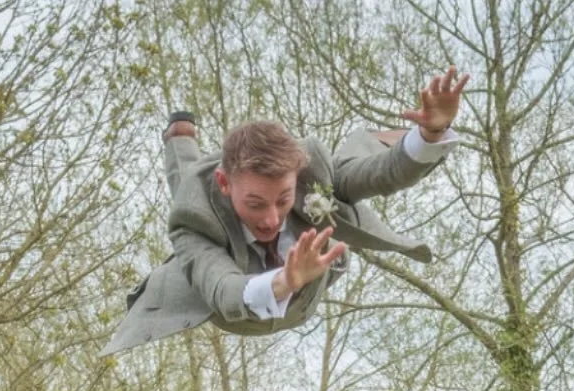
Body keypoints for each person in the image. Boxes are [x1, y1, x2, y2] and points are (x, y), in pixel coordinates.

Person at [104, 68, 467, 355]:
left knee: (358, 164)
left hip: (300, 301)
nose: (272, 220)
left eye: (283, 199)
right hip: (238, 315)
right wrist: (284, 281)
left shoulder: (313, 172)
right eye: (255, 204)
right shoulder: (194, 221)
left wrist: (432, 133)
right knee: (187, 183)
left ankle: (389, 138)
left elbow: (378, 174)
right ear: (227, 184)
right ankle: (179, 139)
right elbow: (221, 286)